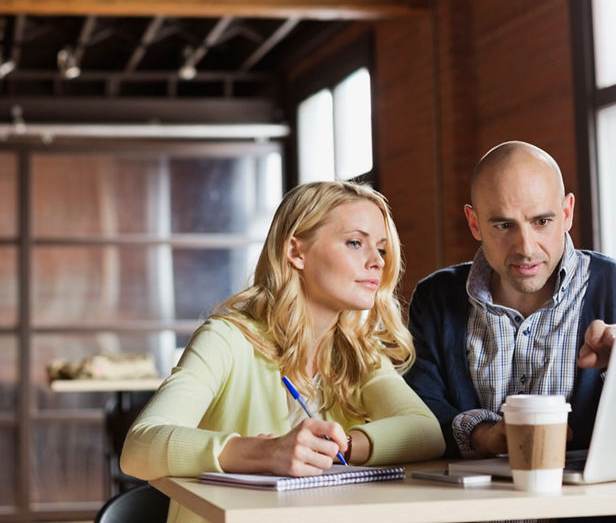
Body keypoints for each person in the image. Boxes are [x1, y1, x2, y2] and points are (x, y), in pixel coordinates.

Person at [121, 181, 445, 523]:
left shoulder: (358, 352)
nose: (377, 262)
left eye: (380, 248)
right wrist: (264, 452)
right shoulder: (227, 339)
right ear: (296, 252)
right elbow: (140, 447)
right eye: (355, 243)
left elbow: (427, 432)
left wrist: (338, 447)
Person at [405, 141, 616, 462]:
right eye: (503, 225)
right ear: (474, 223)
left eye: (542, 222)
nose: (525, 247)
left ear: (566, 213)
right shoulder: (435, 299)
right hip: (469, 510)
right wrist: (483, 436)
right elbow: (415, 408)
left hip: (588, 511)